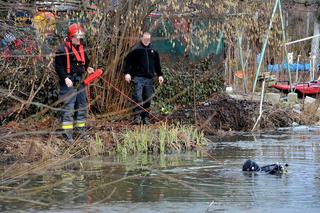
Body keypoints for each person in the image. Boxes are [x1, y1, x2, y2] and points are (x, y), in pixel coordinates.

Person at [54, 23, 94, 143]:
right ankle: (67, 134)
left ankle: (80, 130)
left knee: (82, 105)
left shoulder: (81, 48)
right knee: (69, 107)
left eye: (80, 37)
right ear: (71, 37)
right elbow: (58, 67)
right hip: (68, 82)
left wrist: (88, 68)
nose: (79, 39)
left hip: (80, 81)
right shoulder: (62, 50)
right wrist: (65, 78)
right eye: (77, 37)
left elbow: (85, 61)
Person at [123, 32, 164, 125]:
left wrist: (160, 75)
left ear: (150, 40)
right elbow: (128, 62)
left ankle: (145, 117)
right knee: (138, 97)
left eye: (148, 39)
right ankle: (137, 117)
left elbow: (157, 64)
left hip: (149, 79)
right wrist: (127, 73)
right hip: (138, 77)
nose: (146, 41)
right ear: (142, 39)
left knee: (148, 99)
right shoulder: (136, 49)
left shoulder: (153, 50)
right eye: (145, 39)